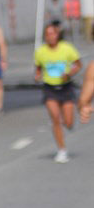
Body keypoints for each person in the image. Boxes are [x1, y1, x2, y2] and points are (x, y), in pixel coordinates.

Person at [34, 23, 82, 163]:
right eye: (48, 34)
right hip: (49, 88)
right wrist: (37, 76)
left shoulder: (66, 48)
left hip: (66, 87)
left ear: (57, 34)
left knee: (68, 122)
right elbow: (38, 69)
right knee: (55, 118)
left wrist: (69, 74)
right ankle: (62, 150)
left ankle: (67, 123)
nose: (51, 37)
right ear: (45, 37)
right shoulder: (40, 52)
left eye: (53, 33)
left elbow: (78, 64)